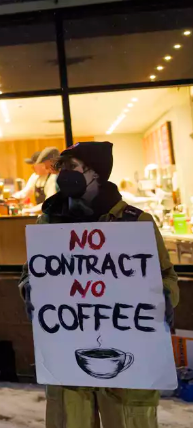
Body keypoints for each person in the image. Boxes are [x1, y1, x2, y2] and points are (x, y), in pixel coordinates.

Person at [19, 142, 179, 428]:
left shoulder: (136, 223)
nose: (62, 174)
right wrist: (31, 289)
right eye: (60, 168)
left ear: (96, 173)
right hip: (68, 351)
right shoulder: (48, 223)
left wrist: (165, 296)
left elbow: (166, 276)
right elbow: (29, 275)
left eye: (71, 167)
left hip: (129, 349)